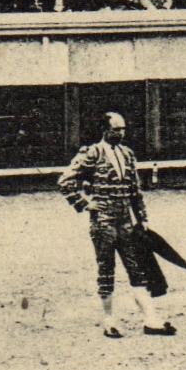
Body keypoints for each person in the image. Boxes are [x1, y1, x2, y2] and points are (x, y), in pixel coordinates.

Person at [57, 111, 175, 338]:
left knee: (137, 270)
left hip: (125, 222)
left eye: (122, 130)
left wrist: (143, 219)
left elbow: (135, 192)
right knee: (106, 271)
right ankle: (109, 321)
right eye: (115, 130)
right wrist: (84, 204)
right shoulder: (92, 153)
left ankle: (151, 320)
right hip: (103, 223)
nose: (120, 134)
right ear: (105, 130)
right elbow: (65, 181)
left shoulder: (128, 154)